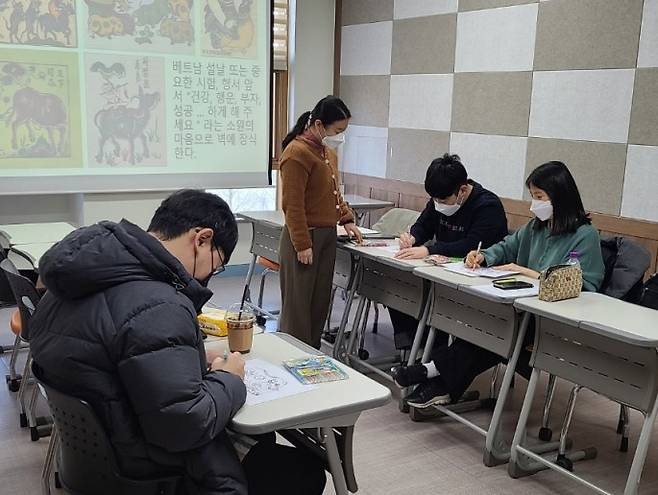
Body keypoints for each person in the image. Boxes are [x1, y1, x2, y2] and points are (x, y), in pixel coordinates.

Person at [29, 190, 326, 495]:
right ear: (202, 239)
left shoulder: (68, 282)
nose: (210, 275)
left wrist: (191, 358)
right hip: (147, 467)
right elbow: (186, 424)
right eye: (218, 264)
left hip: (96, 457)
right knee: (306, 470)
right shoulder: (160, 304)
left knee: (261, 439)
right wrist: (230, 379)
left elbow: (125, 357)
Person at [393, 161, 605, 408]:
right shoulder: (535, 227)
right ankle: (439, 385)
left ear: (560, 197)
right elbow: (507, 246)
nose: (534, 203)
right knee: (486, 328)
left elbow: (583, 284)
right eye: (532, 196)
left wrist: (526, 272)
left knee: (496, 331)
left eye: (539, 197)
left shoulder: (584, 235)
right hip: (521, 311)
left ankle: (428, 371)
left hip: (552, 322)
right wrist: (483, 256)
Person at [388, 153, 508, 350]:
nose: (438, 203)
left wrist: (428, 250)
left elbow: (470, 245)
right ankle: (414, 347)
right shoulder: (440, 197)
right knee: (399, 284)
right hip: (441, 272)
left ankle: (430, 351)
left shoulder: (487, 206)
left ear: (462, 190)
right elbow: (424, 224)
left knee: (430, 302)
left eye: (443, 199)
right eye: (434, 199)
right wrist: (413, 238)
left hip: (474, 278)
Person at [279, 95, 362, 348]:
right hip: (304, 237)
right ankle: (292, 358)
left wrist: (346, 218)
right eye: (337, 130)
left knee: (318, 305)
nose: (340, 137)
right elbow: (292, 206)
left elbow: (334, 192)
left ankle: (311, 358)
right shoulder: (296, 153)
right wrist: (303, 243)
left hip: (326, 236)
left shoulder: (325, 152)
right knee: (298, 308)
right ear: (317, 124)